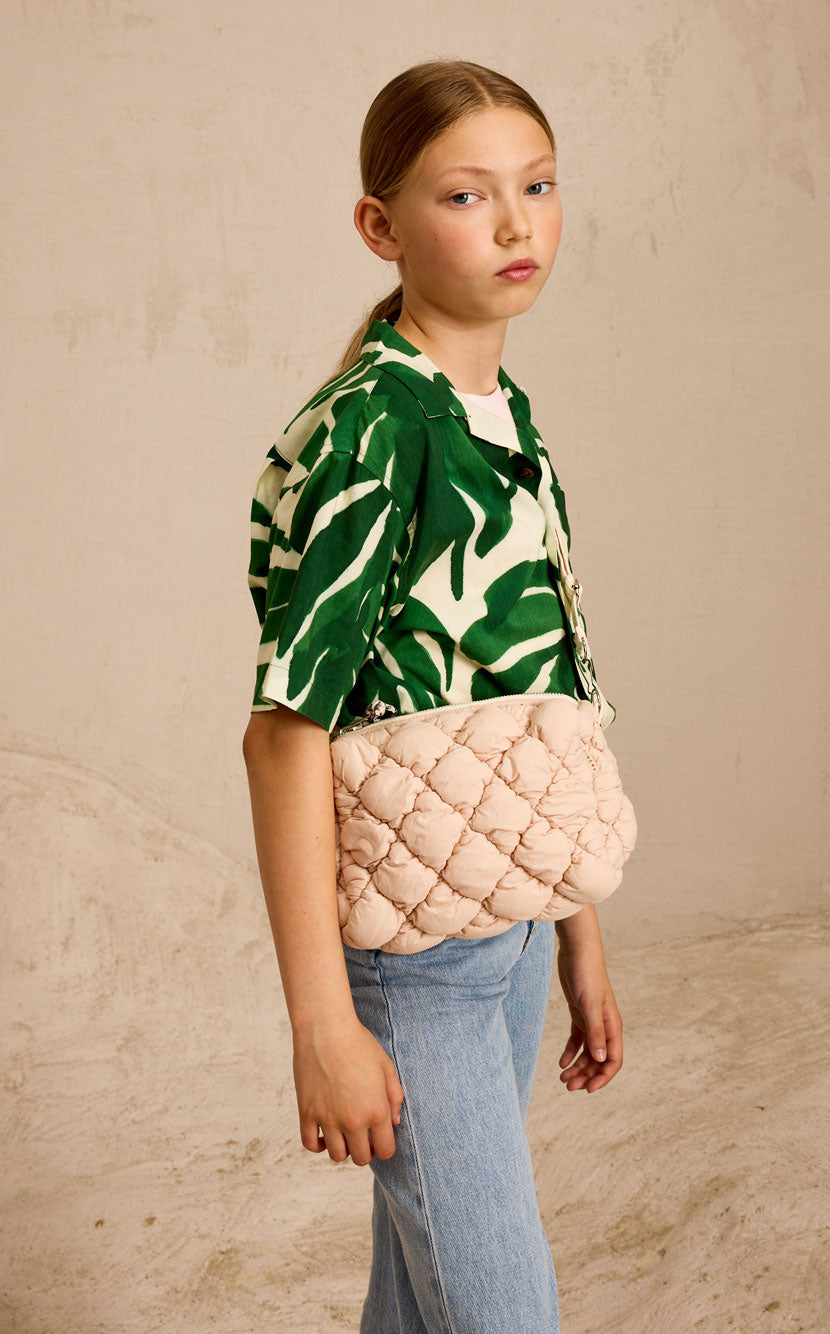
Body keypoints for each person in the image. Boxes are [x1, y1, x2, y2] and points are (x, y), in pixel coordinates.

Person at [242, 58, 626, 1334]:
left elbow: (542, 685)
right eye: (466, 195)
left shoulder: (501, 412)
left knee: (420, 1308)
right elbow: (284, 735)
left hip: (504, 928)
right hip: (419, 963)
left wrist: (575, 931)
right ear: (381, 225)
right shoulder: (376, 426)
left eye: (538, 186)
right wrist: (322, 1024)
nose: (516, 223)